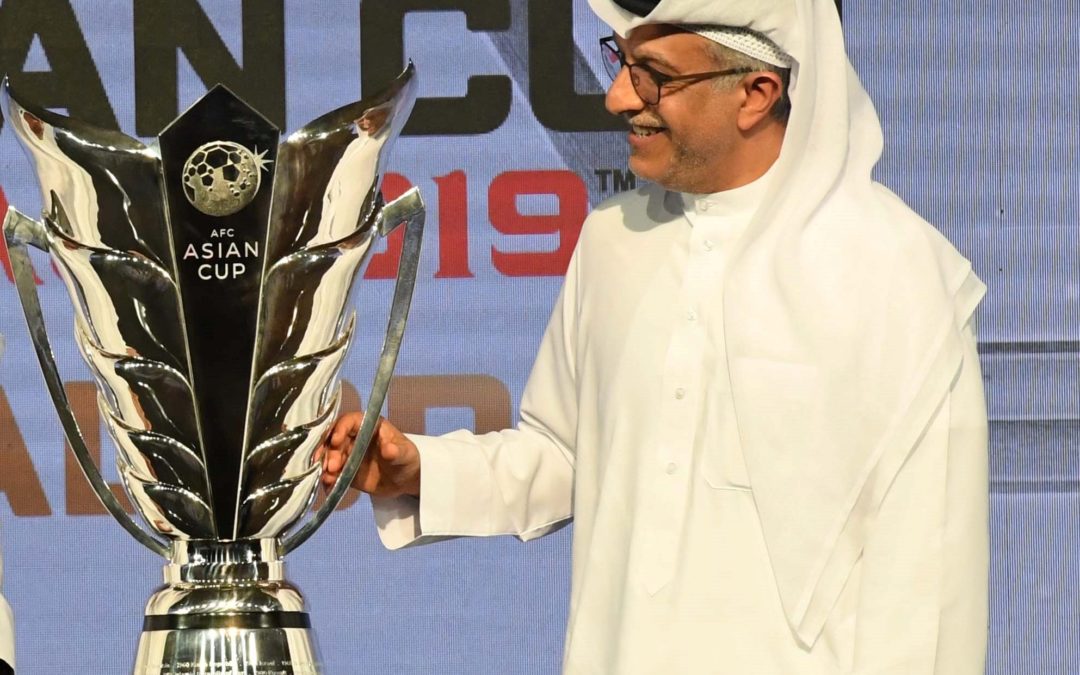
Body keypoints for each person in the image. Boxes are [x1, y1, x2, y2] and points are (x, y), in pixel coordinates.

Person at [320, 0, 989, 672]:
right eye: (622, 62)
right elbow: (568, 455)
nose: (617, 98)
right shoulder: (613, 239)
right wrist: (422, 470)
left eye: (654, 76)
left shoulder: (898, 277)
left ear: (756, 93)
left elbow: (931, 577)